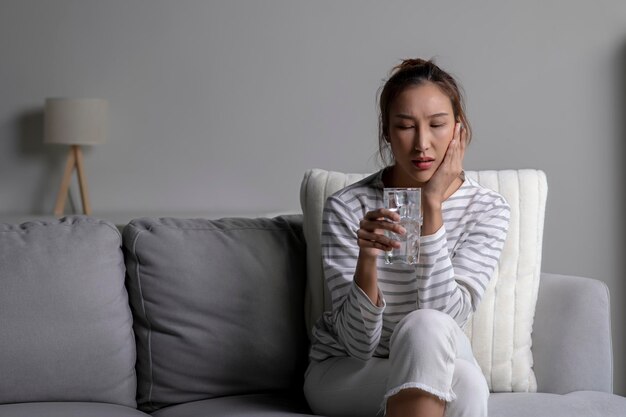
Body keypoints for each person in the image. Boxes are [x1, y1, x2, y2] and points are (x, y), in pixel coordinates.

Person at [303, 58, 510, 417]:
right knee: (468, 387)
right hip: (350, 370)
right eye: (405, 126)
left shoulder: (487, 209)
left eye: (437, 125)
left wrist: (431, 206)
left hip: (437, 350)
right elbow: (356, 345)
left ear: (459, 130)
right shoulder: (347, 207)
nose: (422, 144)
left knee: (427, 326)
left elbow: (444, 316)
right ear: (386, 131)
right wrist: (366, 260)